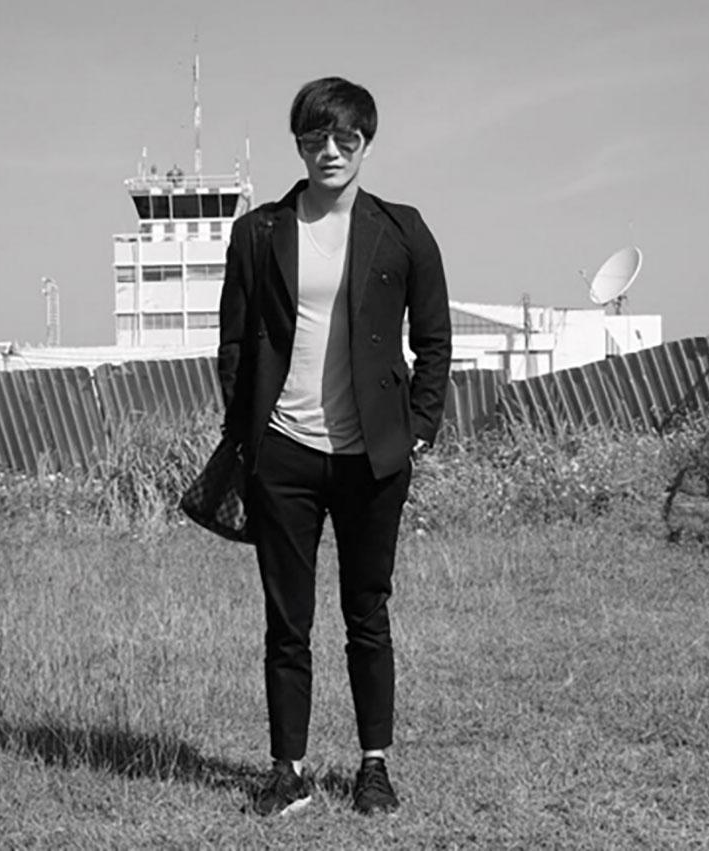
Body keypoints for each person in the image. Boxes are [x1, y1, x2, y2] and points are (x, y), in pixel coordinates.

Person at [217, 76, 451, 816]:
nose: (330, 150)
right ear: (298, 145)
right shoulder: (259, 232)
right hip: (283, 452)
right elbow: (233, 342)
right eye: (314, 137)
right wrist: (248, 431)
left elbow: (435, 341)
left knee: (367, 614)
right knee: (287, 623)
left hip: (372, 458)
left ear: (365, 142)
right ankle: (286, 771)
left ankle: (373, 766)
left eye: (345, 137)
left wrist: (417, 430)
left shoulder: (402, 229)